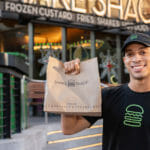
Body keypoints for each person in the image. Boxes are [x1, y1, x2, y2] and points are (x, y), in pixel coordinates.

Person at [61, 32, 150, 150]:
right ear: (125, 60)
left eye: (142, 52)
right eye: (130, 54)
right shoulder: (108, 96)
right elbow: (69, 128)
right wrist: (70, 86)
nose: (136, 58)